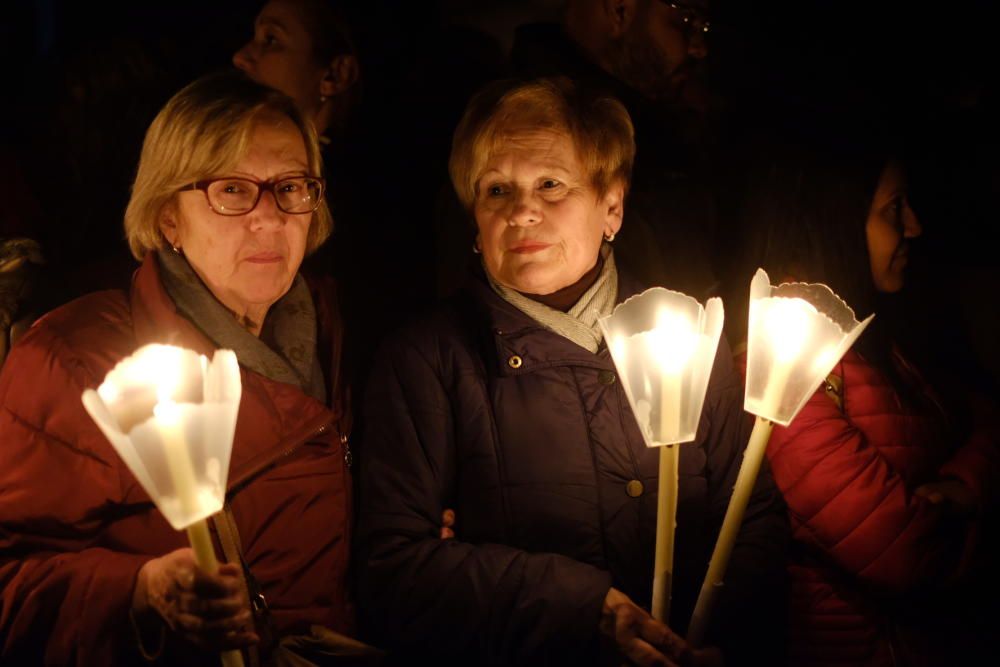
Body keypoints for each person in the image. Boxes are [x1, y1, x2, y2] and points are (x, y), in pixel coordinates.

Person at [356, 77, 788, 666]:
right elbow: (393, 571)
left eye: (551, 184)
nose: (523, 210)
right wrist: (583, 611)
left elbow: (752, 514)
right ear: (474, 223)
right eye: (496, 190)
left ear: (612, 205)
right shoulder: (425, 362)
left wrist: (720, 637)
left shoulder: (688, 337)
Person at [0, 71, 363, 665]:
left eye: (291, 187)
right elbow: (11, 582)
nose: (269, 219)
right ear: (169, 217)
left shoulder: (335, 325)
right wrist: (142, 592)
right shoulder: (78, 362)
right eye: (232, 191)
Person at [734, 137, 1000, 666]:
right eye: (892, 209)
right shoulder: (781, 362)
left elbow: (985, 418)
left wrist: (964, 491)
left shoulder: (877, 338)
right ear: (833, 217)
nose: (914, 227)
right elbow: (903, 554)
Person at [504, 0, 720, 300]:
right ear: (619, 11)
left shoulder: (668, 134)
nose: (698, 47)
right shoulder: (507, 135)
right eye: (685, 19)